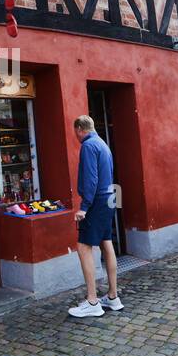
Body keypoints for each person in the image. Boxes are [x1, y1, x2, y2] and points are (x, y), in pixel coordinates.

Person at [67, 114, 121, 319]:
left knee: (83, 247)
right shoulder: (103, 144)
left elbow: (91, 178)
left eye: (76, 133)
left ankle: (92, 301)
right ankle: (113, 297)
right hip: (109, 197)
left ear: (80, 129)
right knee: (107, 242)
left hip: (97, 200)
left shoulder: (88, 146)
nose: (76, 137)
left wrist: (84, 206)